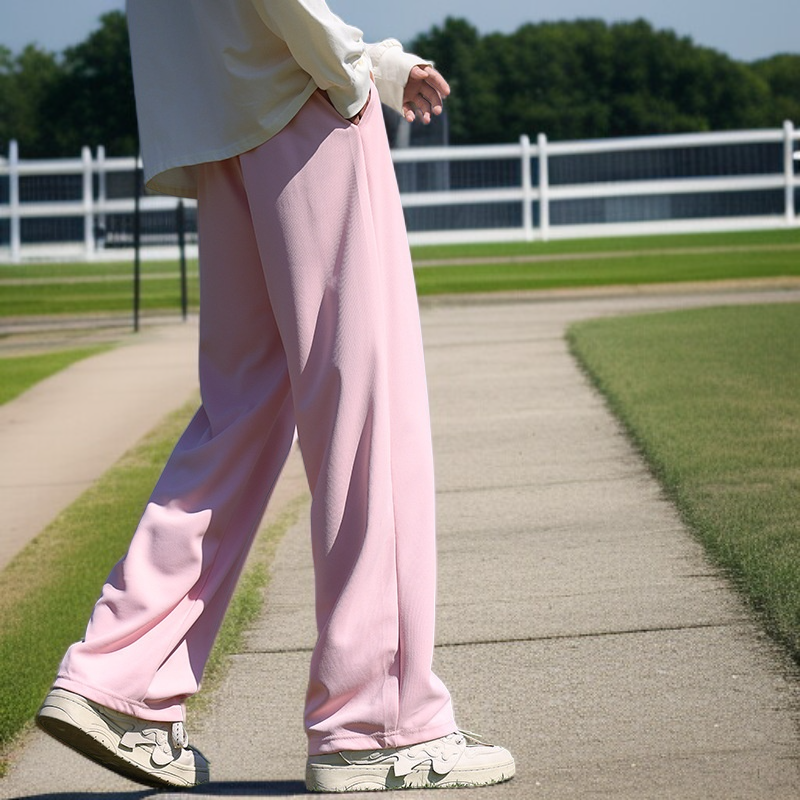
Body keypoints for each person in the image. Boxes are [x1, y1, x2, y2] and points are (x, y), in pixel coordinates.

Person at [36, 0, 515, 792]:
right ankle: (379, 724)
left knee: (239, 419)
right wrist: (353, 75)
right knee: (368, 414)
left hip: (221, 126)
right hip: (300, 107)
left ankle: (122, 677)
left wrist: (374, 67)